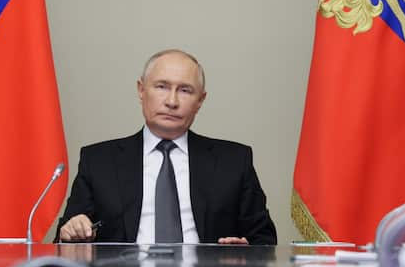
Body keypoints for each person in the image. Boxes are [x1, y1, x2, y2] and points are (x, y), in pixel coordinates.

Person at [55, 49, 277, 245]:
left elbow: (265, 240)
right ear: (141, 90)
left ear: (201, 100)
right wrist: (72, 232)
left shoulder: (234, 161)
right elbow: (63, 238)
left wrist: (246, 251)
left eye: (185, 90)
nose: (172, 101)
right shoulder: (99, 161)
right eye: (161, 87)